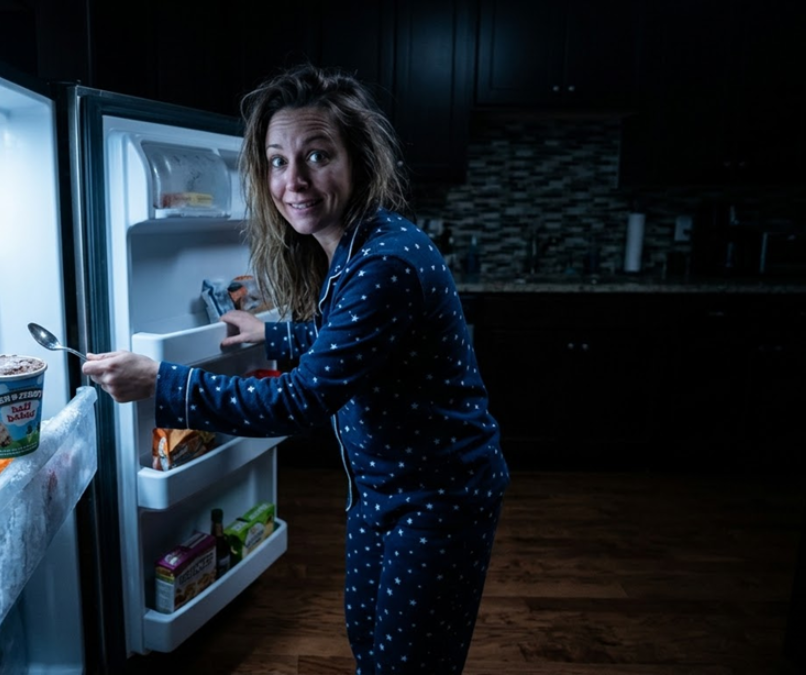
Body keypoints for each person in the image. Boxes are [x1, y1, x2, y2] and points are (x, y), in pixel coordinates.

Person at [82, 63, 509, 674]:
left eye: (316, 156)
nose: (295, 182)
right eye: (278, 161)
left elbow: (299, 403)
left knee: (407, 665)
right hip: (386, 490)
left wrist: (160, 381)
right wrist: (275, 332)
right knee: (370, 641)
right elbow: (361, 344)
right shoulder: (359, 246)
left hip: (437, 497)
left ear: (357, 160)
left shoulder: (383, 262)